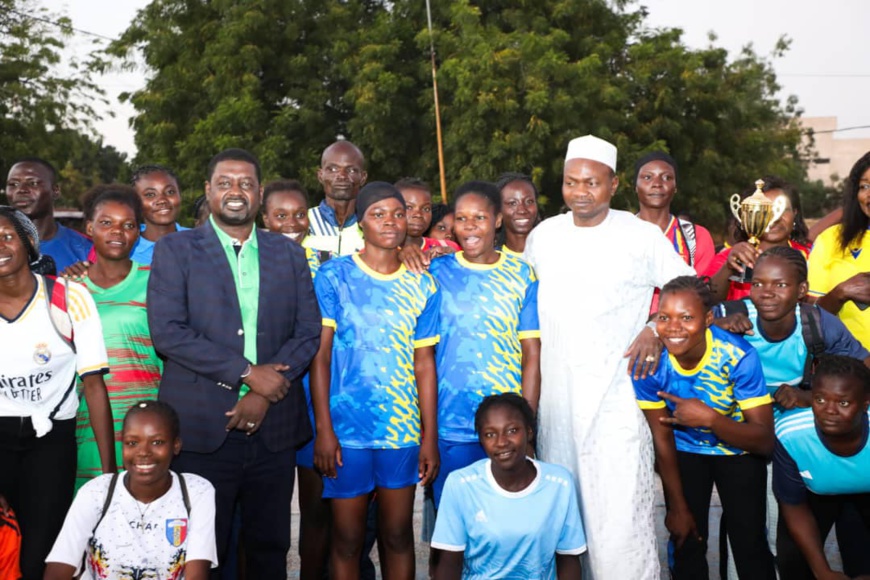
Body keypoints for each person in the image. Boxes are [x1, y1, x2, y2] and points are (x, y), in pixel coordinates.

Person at [522, 135, 694, 579]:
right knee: (565, 521)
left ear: (614, 184)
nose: (581, 192)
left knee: (619, 524)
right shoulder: (544, 236)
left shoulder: (640, 235)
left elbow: (689, 289)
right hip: (558, 403)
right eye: (571, 182)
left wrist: (656, 326)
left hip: (616, 399)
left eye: (592, 183)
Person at [147, 148, 321, 579]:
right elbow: (169, 333)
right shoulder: (175, 250)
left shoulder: (289, 253)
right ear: (208, 191)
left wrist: (263, 392)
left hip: (274, 429)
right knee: (203, 551)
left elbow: (308, 332)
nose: (236, 191)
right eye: (225, 182)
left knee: (270, 546)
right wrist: (246, 375)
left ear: (260, 194)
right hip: (204, 429)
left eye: (246, 183)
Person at [713, 246, 870, 580]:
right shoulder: (733, 313)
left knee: (781, 525)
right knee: (744, 521)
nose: (766, 292)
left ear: (801, 291)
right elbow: (676, 327)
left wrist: (811, 395)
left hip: (789, 431)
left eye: (780, 285)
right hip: (739, 430)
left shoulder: (815, 322)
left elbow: (860, 369)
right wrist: (715, 331)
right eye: (758, 283)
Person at [311, 182, 440, 580]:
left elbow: (424, 364)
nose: (390, 221)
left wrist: (429, 437)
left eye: (398, 214)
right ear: (361, 223)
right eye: (378, 214)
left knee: (397, 536)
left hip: (400, 429)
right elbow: (321, 356)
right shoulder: (335, 276)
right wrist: (324, 431)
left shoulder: (423, 283)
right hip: (346, 430)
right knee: (347, 539)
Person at [633, 276, 776, 579]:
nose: (673, 327)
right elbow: (662, 439)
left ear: (709, 319)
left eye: (686, 317)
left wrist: (710, 419)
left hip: (740, 450)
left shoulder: (738, 356)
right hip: (683, 451)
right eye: (664, 317)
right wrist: (677, 507)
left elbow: (764, 440)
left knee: (749, 544)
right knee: (686, 540)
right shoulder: (649, 365)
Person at [0, 207, 115, 580]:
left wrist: (109, 475)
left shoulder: (68, 298)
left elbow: (95, 387)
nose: (0, 246)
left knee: (39, 558)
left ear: (28, 242)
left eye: (7, 236)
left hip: (50, 444)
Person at [429, 180, 540, 507]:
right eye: (461, 219)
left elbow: (531, 356)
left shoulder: (522, 274)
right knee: (455, 526)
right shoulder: (436, 271)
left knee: (509, 521)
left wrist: (527, 426)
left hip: (507, 427)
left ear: (497, 220)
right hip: (452, 422)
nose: (469, 227)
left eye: (479, 218)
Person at [45, 400, 218, 579]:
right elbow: (60, 565)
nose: (143, 452)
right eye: (132, 443)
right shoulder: (96, 492)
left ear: (176, 445)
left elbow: (196, 574)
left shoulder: (196, 492)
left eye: (157, 442)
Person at [432, 393, 585, 579]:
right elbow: (449, 563)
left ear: (529, 432)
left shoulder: (559, 484)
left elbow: (568, 559)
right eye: (490, 434)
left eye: (512, 430)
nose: (501, 442)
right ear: (481, 440)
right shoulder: (461, 485)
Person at [73, 186, 163, 489]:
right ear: (89, 228)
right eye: (106, 222)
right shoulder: (69, 287)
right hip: (86, 426)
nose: (117, 232)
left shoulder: (157, 281)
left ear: (138, 231)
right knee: (93, 515)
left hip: (148, 420)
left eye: (127, 225)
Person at [773, 355, 870, 579]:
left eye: (843, 402)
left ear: (865, 404)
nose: (829, 411)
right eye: (820, 400)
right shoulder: (791, 434)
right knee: (793, 560)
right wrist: (822, 572)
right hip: (815, 498)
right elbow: (793, 507)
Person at [707, 176, 811, 302]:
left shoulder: (810, 256)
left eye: (782, 210)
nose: (775, 218)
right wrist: (728, 269)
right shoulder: (727, 260)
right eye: (763, 211)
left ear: (795, 214)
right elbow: (705, 302)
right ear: (747, 216)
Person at [809, 151, 870, 349]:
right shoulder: (830, 239)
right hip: (847, 368)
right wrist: (840, 293)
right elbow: (810, 315)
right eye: (864, 186)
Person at [634, 151, 715, 274]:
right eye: (647, 177)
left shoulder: (696, 237)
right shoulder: (619, 234)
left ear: (675, 186)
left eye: (667, 177)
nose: (657, 184)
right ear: (636, 186)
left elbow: (703, 289)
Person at [4, 158, 91, 271]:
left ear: (55, 191)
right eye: (13, 184)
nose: (21, 190)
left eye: (33, 183)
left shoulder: (85, 250)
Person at [306, 140, 368, 256]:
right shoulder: (302, 222)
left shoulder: (374, 225)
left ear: (363, 177)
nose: (342, 176)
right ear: (320, 175)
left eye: (351, 170)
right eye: (333, 169)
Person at [128, 165, 190, 265]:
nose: (162, 200)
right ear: (135, 202)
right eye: (150, 195)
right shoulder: (126, 250)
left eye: (170, 192)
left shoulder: (202, 242)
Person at [395, 178, 459, 272]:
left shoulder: (446, 246)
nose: (418, 214)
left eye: (426, 209)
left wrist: (454, 258)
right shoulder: (380, 252)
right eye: (409, 207)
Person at [495, 172, 540, 257]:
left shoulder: (553, 254)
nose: (522, 210)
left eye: (529, 202)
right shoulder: (490, 262)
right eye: (512, 203)